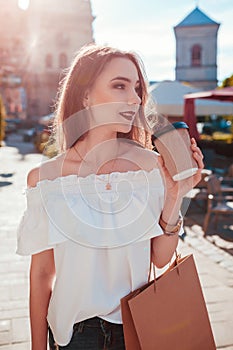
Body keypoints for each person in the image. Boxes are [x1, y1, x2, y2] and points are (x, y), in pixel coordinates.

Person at [16, 44, 204, 350]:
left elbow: (160, 257)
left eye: (137, 88)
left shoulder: (150, 166)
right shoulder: (46, 178)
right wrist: (38, 347)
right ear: (86, 95)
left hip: (139, 327)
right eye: (120, 85)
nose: (134, 98)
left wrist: (175, 196)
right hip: (72, 336)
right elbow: (41, 274)